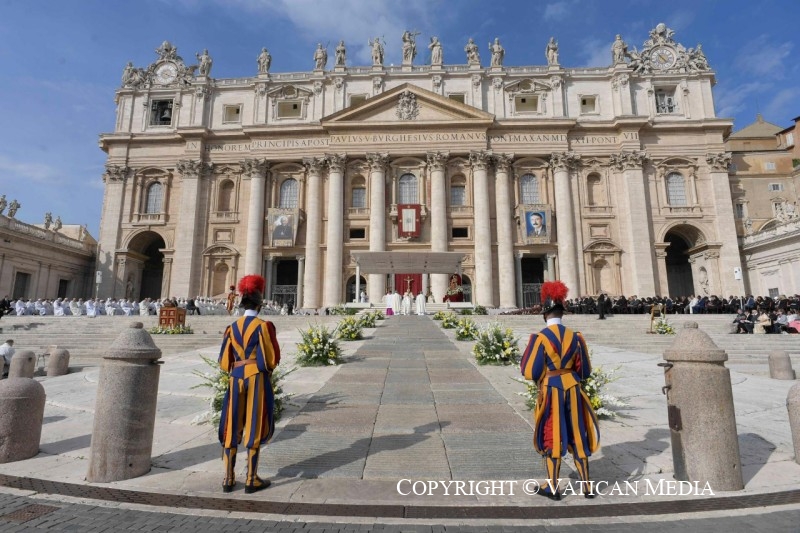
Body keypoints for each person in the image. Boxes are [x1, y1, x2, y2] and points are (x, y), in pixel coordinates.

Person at [520, 281, 600, 500]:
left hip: (552, 389)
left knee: (552, 432)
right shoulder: (576, 337)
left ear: (544, 314)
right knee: (578, 432)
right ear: (562, 312)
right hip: (573, 388)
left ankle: (553, 487)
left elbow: (530, 370)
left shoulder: (540, 338)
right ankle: (587, 486)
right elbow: (585, 371)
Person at [218, 275, 281, 494]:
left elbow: (224, 361)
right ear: (260, 304)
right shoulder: (264, 326)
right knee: (254, 424)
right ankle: (251, 479)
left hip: (235, 376)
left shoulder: (231, 327)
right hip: (256, 377)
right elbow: (271, 358)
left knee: (232, 424)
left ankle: (228, 479)